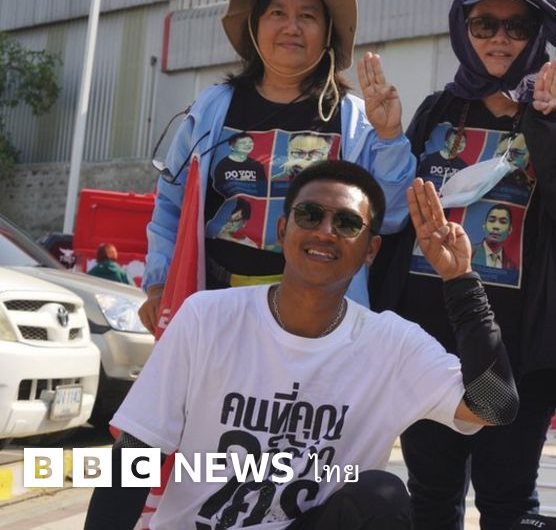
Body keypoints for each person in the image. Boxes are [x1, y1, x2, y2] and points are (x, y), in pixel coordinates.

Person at [84, 162, 518, 529]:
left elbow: (494, 406)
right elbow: (135, 455)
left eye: (347, 223)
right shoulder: (207, 317)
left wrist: (460, 281)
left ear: (370, 250)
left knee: (381, 497)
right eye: (310, 215)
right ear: (282, 229)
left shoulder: (391, 344)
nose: (325, 232)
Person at [369, 0, 556, 530]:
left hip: (517, 349)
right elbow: (394, 210)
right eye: (484, 25)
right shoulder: (437, 110)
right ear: (464, 31)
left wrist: (543, 125)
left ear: (537, 36)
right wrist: (387, 135)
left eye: (517, 27)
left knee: (507, 501)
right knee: (430, 496)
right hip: (427, 340)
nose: (499, 39)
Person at [138, 0, 415, 333]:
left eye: (308, 16)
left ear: (328, 34)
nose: (292, 27)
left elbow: (392, 217)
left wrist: (389, 136)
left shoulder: (354, 121)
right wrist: (159, 284)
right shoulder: (212, 108)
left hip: (318, 322)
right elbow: (171, 205)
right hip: (216, 310)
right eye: (277, 13)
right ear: (255, 26)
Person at [213, 132, 267, 197]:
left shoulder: (257, 165)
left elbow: (263, 187)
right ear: (232, 147)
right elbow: (218, 187)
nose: (248, 145)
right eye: (243, 143)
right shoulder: (222, 165)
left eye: (250, 142)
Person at [471, 203, 517, 270]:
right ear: (484, 226)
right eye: (492, 220)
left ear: (510, 229)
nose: (496, 226)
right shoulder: (469, 253)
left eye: (503, 222)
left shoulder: (511, 265)